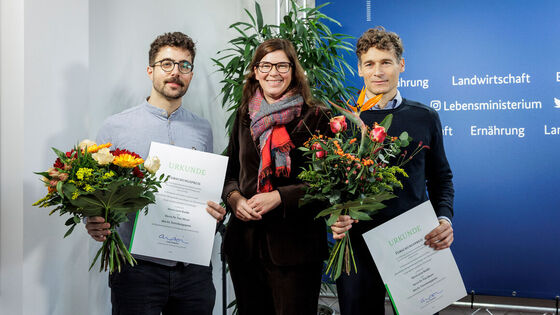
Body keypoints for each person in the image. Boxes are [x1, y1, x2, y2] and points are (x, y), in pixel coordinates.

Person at [84, 32, 226, 315]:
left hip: (194, 271)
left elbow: (203, 192)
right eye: (167, 64)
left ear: (191, 74)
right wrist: (92, 218)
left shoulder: (203, 129)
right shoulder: (116, 127)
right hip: (136, 270)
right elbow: (93, 188)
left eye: (184, 66)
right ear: (150, 71)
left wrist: (214, 209)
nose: (176, 72)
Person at [331, 26, 455, 315]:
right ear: (359, 69)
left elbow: (441, 178)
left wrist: (444, 219)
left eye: (386, 62)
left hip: (414, 241)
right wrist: (334, 218)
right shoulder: (343, 121)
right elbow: (331, 186)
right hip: (356, 245)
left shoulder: (424, 117)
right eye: (370, 64)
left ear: (401, 64)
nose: (378, 71)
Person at [221, 38, 331, 315]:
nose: (274, 72)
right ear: (255, 71)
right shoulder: (244, 115)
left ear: (294, 70)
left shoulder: (318, 116)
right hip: (245, 245)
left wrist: (279, 196)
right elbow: (230, 171)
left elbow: (327, 185)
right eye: (266, 65)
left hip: (296, 247)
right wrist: (234, 199)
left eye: (282, 65)